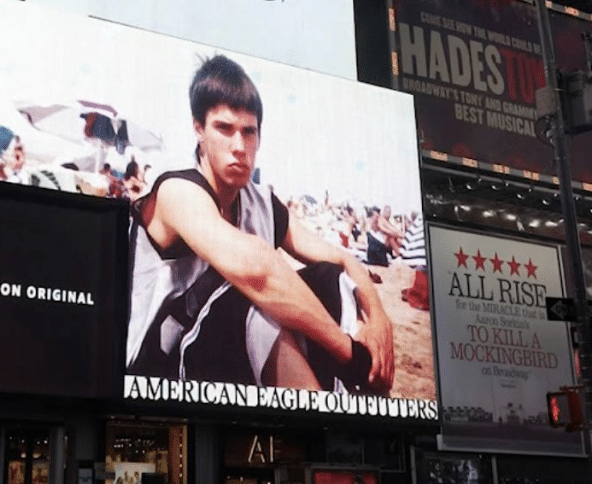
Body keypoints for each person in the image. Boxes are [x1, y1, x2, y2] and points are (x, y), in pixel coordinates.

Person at [126, 55, 394, 394]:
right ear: (199, 129)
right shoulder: (177, 191)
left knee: (329, 278)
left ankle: (355, 404)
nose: (239, 146)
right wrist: (348, 352)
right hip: (154, 371)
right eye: (224, 129)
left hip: (217, 360)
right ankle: (324, 422)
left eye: (248, 132)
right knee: (252, 299)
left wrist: (380, 319)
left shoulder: (260, 202)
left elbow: (342, 259)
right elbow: (260, 271)